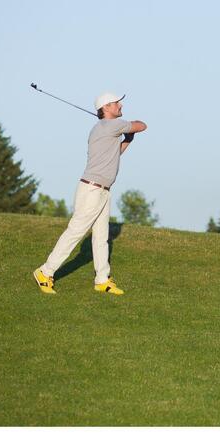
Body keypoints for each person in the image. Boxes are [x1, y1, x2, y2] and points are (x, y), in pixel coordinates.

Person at [33, 91, 147, 296]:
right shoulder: (112, 126)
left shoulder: (105, 128)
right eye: (116, 103)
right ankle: (45, 271)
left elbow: (116, 153)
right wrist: (130, 131)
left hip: (101, 190)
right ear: (106, 108)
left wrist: (128, 139)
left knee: (101, 237)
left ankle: (102, 279)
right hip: (92, 189)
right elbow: (142, 125)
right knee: (75, 231)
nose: (120, 105)